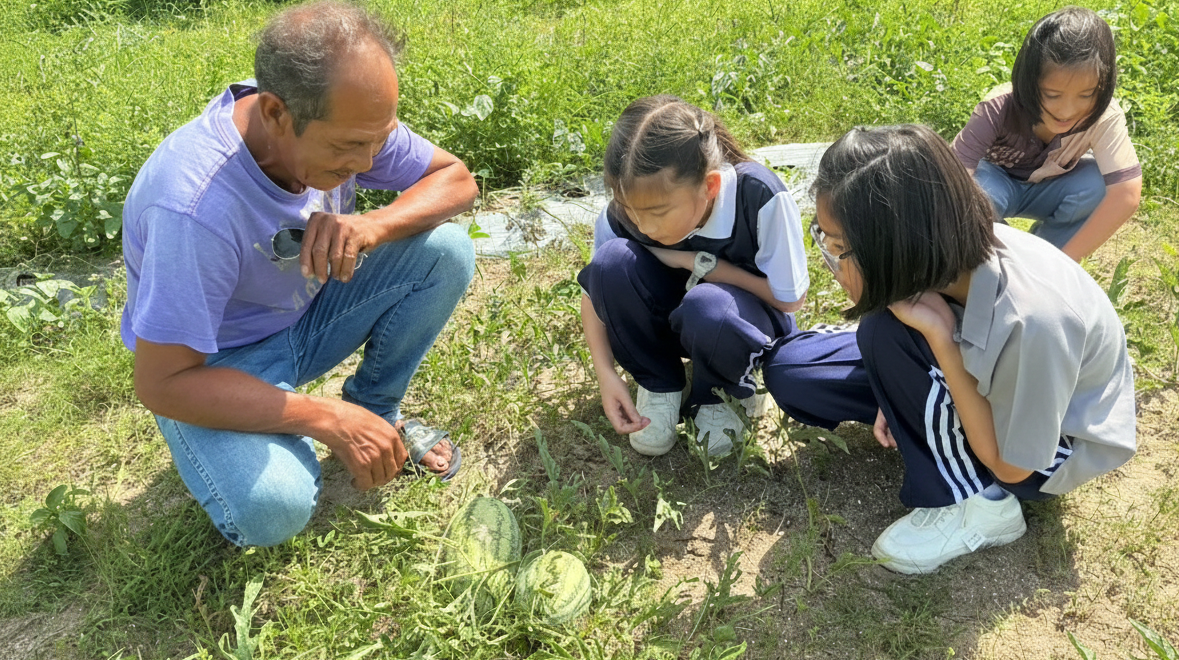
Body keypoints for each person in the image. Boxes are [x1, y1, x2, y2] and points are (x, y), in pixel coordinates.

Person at [121, 1, 479, 547]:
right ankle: (314, 430)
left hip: (304, 317)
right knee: (272, 507)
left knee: (446, 251)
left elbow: (456, 180)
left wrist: (373, 225)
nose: (366, 162)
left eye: (378, 141)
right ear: (275, 115)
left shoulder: (343, 112)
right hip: (215, 366)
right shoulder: (193, 209)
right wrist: (325, 419)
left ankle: (376, 413)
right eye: (347, 147)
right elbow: (161, 381)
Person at [812, 124, 1136, 574]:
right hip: (988, 374)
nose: (830, 259)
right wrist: (895, 388)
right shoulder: (943, 256)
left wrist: (941, 341)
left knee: (882, 332)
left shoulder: (1033, 321)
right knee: (797, 373)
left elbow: (1013, 466)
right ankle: (912, 397)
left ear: (897, 247)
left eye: (839, 247)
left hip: (1049, 448)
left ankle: (979, 507)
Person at [578, 95, 875, 458]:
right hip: (680, 321)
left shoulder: (760, 197)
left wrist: (703, 266)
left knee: (710, 304)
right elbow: (596, 294)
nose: (643, 225)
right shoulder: (626, 210)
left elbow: (790, 299)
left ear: (711, 187)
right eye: (630, 209)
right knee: (610, 262)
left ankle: (725, 390)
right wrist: (605, 373)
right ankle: (658, 383)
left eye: (658, 212)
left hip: (745, 323)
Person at [951, 6, 1141, 261]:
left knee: (1098, 184)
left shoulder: (1105, 115)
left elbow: (1126, 194)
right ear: (1029, 81)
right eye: (1052, 95)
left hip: (1050, 188)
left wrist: (1062, 265)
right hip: (994, 183)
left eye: (1086, 95)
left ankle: (1046, 258)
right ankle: (993, 260)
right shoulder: (998, 106)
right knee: (972, 194)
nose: (1067, 110)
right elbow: (952, 181)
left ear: (1103, 87)